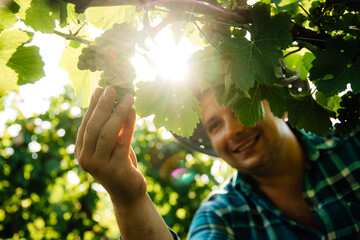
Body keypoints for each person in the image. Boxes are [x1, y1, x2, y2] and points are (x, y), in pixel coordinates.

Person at [74, 86, 360, 239]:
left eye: (239, 108)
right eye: (214, 125)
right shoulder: (221, 215)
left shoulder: (354, 143)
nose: (231, 130)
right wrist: (130, 201)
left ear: (277, 103)